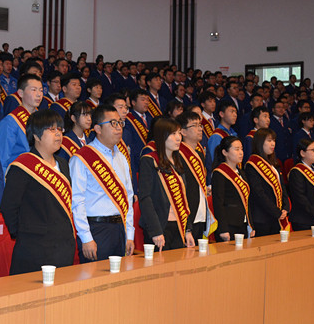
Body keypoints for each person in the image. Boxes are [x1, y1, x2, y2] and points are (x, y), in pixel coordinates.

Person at [1, 109, 76, 274]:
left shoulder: (63, 164)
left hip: (64, 246)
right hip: (34, 249)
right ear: (36, 135)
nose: (58, 134)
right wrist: (26, 233)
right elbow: (9, 207)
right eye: (52, 129)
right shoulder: (23, 166)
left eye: (60, 129)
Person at [70, 104, 135, 262]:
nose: (118, 127)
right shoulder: (82, 158)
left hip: (119, 229)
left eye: (120, 123)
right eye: (113, 123)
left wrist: (129, 235)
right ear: (98, 129)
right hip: (96, 229)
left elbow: (128, 197)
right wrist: (86, 237)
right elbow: (77, 201)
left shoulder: (121, 157)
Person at [138, 118, 194, 250]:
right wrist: (155, 231)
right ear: (161, 136)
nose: (178, 138)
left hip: (179, 225)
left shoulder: (178, 161)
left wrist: (188, 229)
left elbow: (183, 198)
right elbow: (145, 198)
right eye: (173, 134)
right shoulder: (149, 161)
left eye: (179, 133)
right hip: (160, 227)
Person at [244, 128, 289, 236]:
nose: (273, 143)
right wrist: (276, 211)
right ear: (260, 142)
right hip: (262, 218)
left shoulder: (273, 163)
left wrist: (285, 207)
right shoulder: (252, 165)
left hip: (277, 216)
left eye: (274, 140)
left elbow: (282, 187)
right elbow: (259, 194)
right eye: (269, 140)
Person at [0, 74, 43, 173]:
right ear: (21, 93)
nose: (39, 94)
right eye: (34, 90)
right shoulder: (9, 122)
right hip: (19, 175)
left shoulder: (43, 119)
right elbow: (2, 160)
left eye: (41, 90)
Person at [176, 110, 211, 241]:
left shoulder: (199, 154)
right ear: (183, 132)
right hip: (188, 215)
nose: (200, 129)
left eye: (200, 125)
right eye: (194, 125)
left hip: (201, 212)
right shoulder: (178, 154)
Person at [211, 136, 250, 241]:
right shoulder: (219, 173)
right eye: (237, 149)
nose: (241, 152)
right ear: (225, 152)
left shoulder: (241, 172)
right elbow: (218, 203)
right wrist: (223, 229)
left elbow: (247, 200)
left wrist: (250, 224)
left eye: (241, 149)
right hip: (229, 225)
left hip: (243, 223)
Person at [288, 139, 314, 231]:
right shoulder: (296, 172)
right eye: (313, 150)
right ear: (302, 153)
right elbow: (300, 198)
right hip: (304, 220)